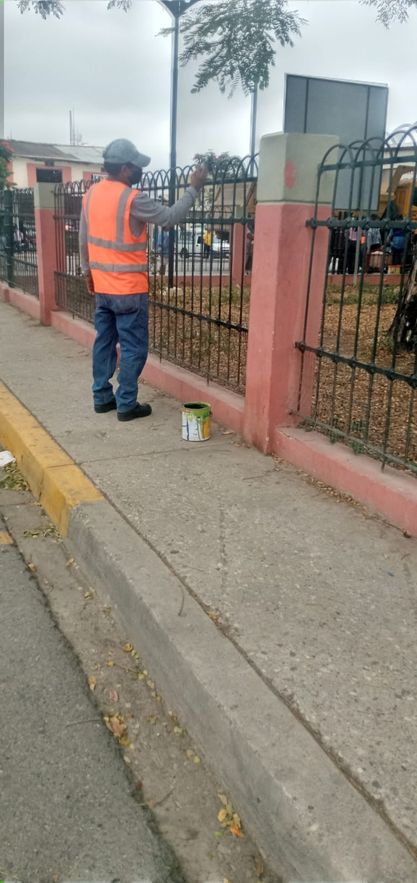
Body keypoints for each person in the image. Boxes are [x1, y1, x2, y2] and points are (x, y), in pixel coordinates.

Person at [79, 138, 207, 421]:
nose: (140, 171)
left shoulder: (90, 195)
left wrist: (87, 271)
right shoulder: (132, 199)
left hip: (103, 287)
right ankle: (126, 403)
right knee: (133, 347)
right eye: (137, 166)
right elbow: (170, 218)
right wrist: (194, 188)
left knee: (104, 342)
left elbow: (83, 238)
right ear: (125, 168)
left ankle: (102, 397)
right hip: (128, 290)